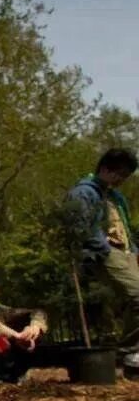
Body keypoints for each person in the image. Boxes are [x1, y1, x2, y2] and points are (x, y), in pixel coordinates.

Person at [66, 148, 139, 363]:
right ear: (105, 169)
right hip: (104, 254)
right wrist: (105, 248)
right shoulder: (84, 192)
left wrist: (134, 251)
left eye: (126, 176)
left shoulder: (114, 196)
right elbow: (81, 228)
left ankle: (129, 348)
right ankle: (126, 351)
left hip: (125, 252)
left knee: (131, 301)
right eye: (120, 174)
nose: (122, 180)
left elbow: (123, 226)